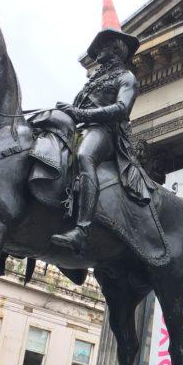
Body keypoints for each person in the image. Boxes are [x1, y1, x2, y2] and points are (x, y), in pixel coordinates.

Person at [51, 26, 156, 253]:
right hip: (80, 128)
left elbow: (121, 109)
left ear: (117, 50)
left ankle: (82, 229)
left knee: (83, 156)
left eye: (103, 46)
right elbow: (78, 108)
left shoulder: (126, 77)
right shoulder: (94, 80)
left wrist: (82, 114)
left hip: (104, 133)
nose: (98, 50)